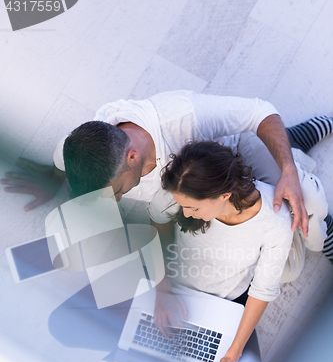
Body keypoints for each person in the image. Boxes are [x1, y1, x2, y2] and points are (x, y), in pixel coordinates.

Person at [1, 91, 332, 258]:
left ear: (132, 157)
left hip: (230, 157)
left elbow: (261, 111)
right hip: (200, 193)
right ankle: (292, 141)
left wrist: (287, 171)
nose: (113, 200)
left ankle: (293, 149)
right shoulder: (73, 150)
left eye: (115, 192)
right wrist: (53, 180)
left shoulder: (184, 116)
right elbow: (61, 162)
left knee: (296, 201)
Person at [147, 140, 329, 362]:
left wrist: (233, 353)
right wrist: (162, 291)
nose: (184, 212)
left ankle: (295, 162)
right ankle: (287, 149)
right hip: (178, 294)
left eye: (193, 208)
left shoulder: (273, 222)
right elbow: (157, 220)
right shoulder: (180, 191)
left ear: (223, 195)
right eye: (182, 206)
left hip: (229, 298)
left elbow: (263, 289)